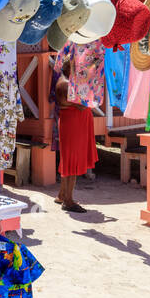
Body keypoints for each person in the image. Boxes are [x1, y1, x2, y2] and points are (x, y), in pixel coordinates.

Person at [54, 54, 96, 213]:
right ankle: (69, 201)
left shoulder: (67, 82)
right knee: (72, 162)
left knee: (69, 161)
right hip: (73, 126)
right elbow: (82, 105)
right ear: (68, 68)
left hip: (74, 125)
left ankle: (62, 194)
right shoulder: (65, 84)